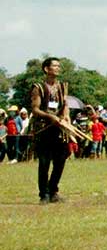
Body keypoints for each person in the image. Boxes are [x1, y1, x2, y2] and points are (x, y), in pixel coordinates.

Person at [29, 57, 70, 203]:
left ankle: (53, 190)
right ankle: (44, 194)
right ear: (46, 69)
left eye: (59, 66)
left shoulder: (62, 86)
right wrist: (50, 117)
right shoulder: (38, 87)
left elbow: (65, 105)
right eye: (55, 66)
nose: (58, 68)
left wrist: (66, 118)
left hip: (59, 128)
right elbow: (35, 109)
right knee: (45, 162)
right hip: (44, 129)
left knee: (61, 160)